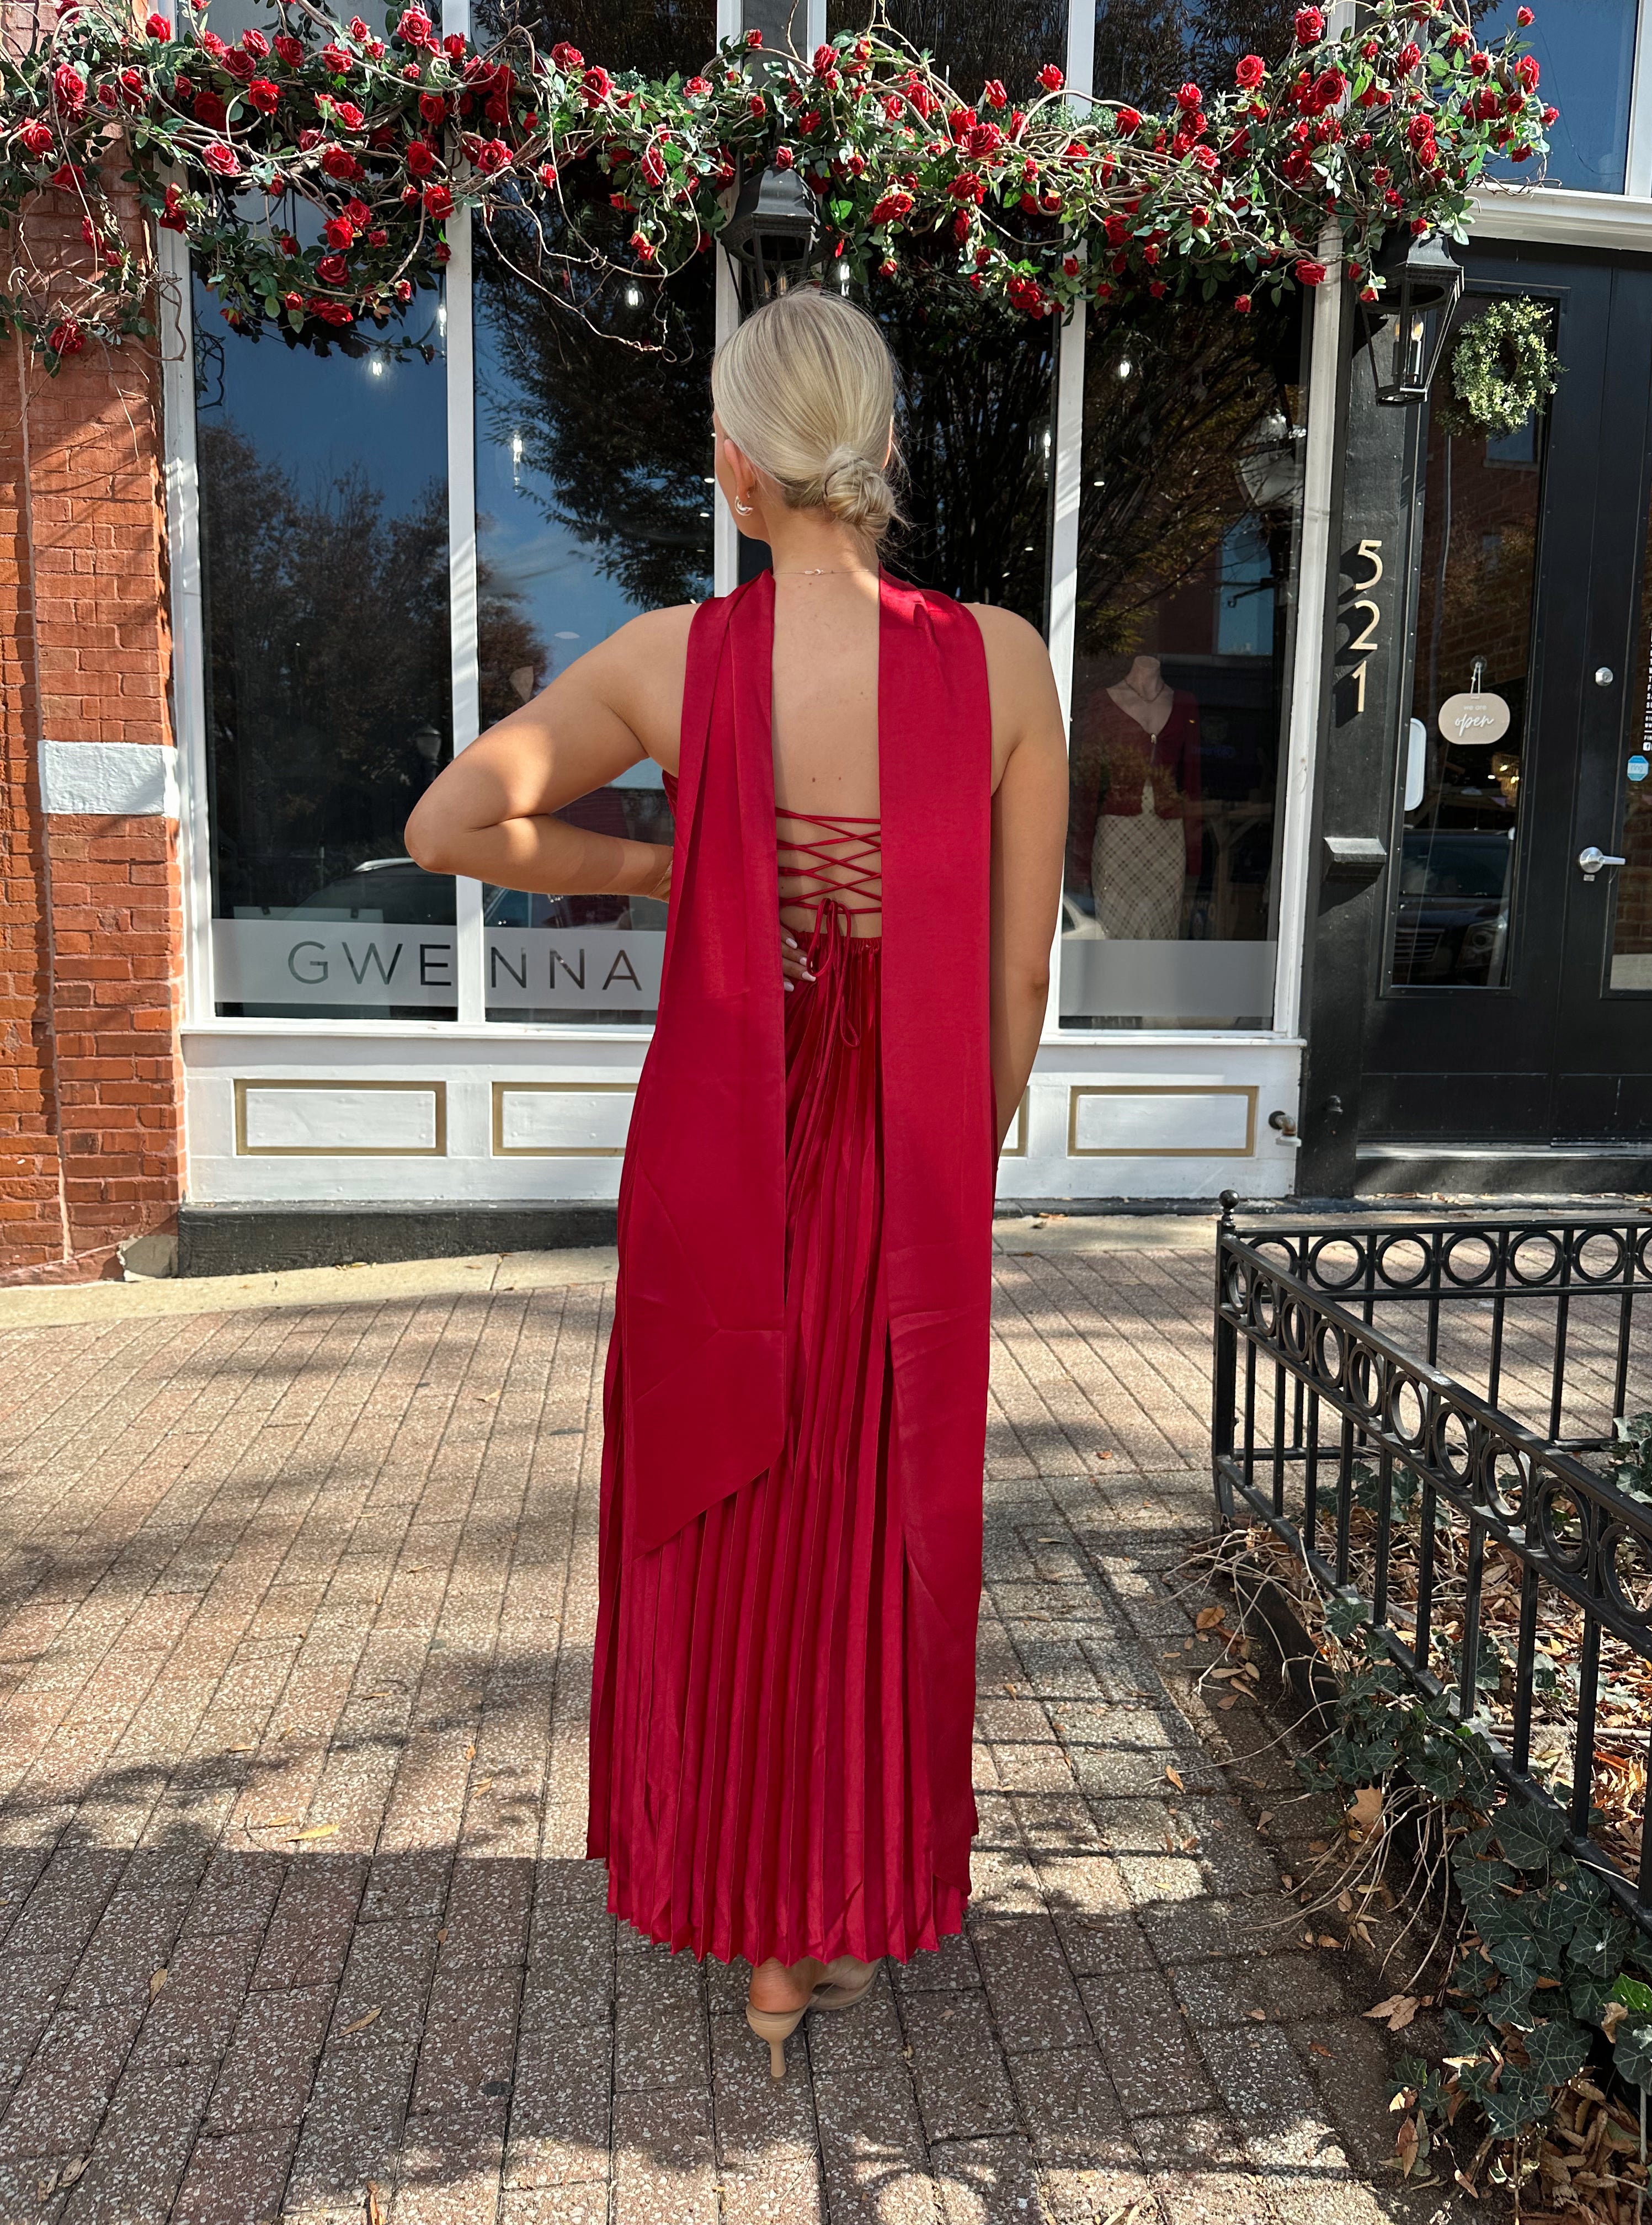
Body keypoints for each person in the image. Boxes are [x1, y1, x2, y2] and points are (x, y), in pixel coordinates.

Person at [406, 285, 1067, 2077]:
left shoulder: (665, 661)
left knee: (725, 1517)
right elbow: (1017, 973)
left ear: (735, 471)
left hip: (729, 1150)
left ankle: (753, 1934)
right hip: (901, 1169)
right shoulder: (1001, 658)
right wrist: (972, 1130)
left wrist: (677, 865)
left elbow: (450, 829)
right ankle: (835, 1914)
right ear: (890, 452)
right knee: (874, 1530)